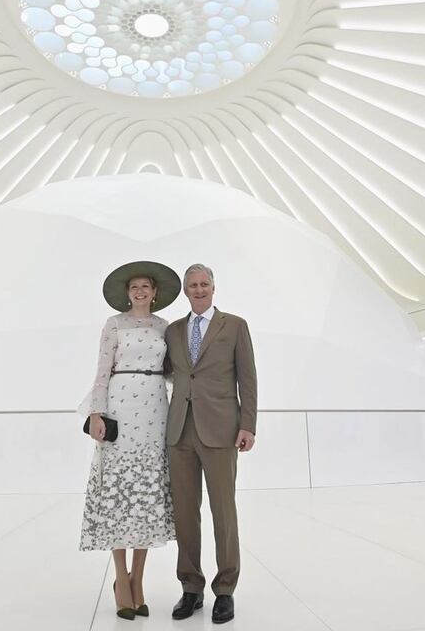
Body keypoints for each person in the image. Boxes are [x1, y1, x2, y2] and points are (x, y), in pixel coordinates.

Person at [79, 260, 181, 621]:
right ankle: (121, 577)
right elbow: (102, 371)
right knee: (119, 493)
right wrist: (96, 413)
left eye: (145, 287)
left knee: (147, 493)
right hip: (121, 408)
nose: (139, 291)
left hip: (155, 409)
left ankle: (139, 577)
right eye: (134, 286)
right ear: (127, 293)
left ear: (155, 294)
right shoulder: (114, 325)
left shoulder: (164, 327)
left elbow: (174, 371)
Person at [164, 263, 258, 624]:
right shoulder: (173, 331)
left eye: (205, 284)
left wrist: (247, 423)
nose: (199, 289)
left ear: (214, 288)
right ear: (185, 291)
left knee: (223, 512)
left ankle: (225, 590)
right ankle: (191, 587)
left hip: (221, 430)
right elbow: (162, 371)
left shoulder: (234, 326)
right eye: (193, 285)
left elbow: (247, 378)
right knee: (185, 514)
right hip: (179, 433)